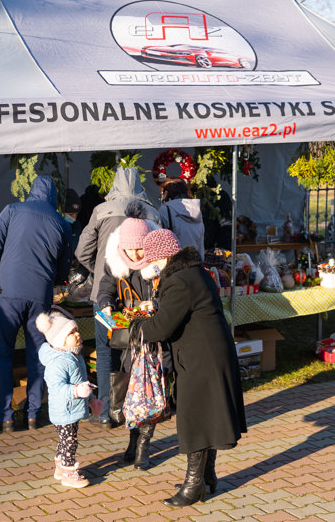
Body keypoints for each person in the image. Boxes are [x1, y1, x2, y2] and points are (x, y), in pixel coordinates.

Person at [129, 229, 246, 507]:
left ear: (164, 258)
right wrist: (157, 304)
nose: (149, 267)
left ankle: (194, 487)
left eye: (152, 260)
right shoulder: (194, 272)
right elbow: (182, 309)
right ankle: (206, 478)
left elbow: (162, 327)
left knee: (197, 419)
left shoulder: (179, 281)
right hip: (208, 353)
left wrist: (136, 329)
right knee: (207, 416)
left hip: (201, 357)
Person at [0, 175, 73, 433]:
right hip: (39, 295)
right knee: (39, 356)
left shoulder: (12, 210)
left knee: (3, 355)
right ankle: (33, 414)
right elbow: (63, 267)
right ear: (54, 196)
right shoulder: (61, 223)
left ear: (32, 191)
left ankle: (6, 417)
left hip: (8, 291)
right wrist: (52, 280)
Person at [75, 168, 161, 427]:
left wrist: (98, 268)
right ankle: (135, 405)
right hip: (142, 294)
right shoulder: (152, 212)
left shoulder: (101, 210)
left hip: (105, 293)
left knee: (105, 352)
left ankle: (104, 411)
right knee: (139, 351)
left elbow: (82, 251)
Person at [96, 210, 164, 470]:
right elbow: (105, 289)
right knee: (129, 392)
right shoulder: (115, 262)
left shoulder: (160, 262)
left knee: (150, 392)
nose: (136, 255)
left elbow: (172, 293)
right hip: (129, 340)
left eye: (139, 249)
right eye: (131, 249)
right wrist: (106, 305)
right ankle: (133, 439)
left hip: (155, 337)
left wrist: (155, 303)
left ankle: (143, 447)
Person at [36, 306, 104, 488]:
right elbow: (57, 388)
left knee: (66, 439)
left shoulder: (75, 356)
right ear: (60, 340)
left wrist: (91, 400)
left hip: (72, 408)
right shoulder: (57, 362)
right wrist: (75, 391)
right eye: (72, 333)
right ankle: (68, 471)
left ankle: (60, 466)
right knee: (70, 441)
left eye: (76, 331)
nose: (77, 335)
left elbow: (82, 381)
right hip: (63, 410)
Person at [158, 177, 204, 255]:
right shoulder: (196, 208)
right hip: (196, 259)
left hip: (176, 260)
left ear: (166, 193)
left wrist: (163, 201)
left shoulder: (166, 209)